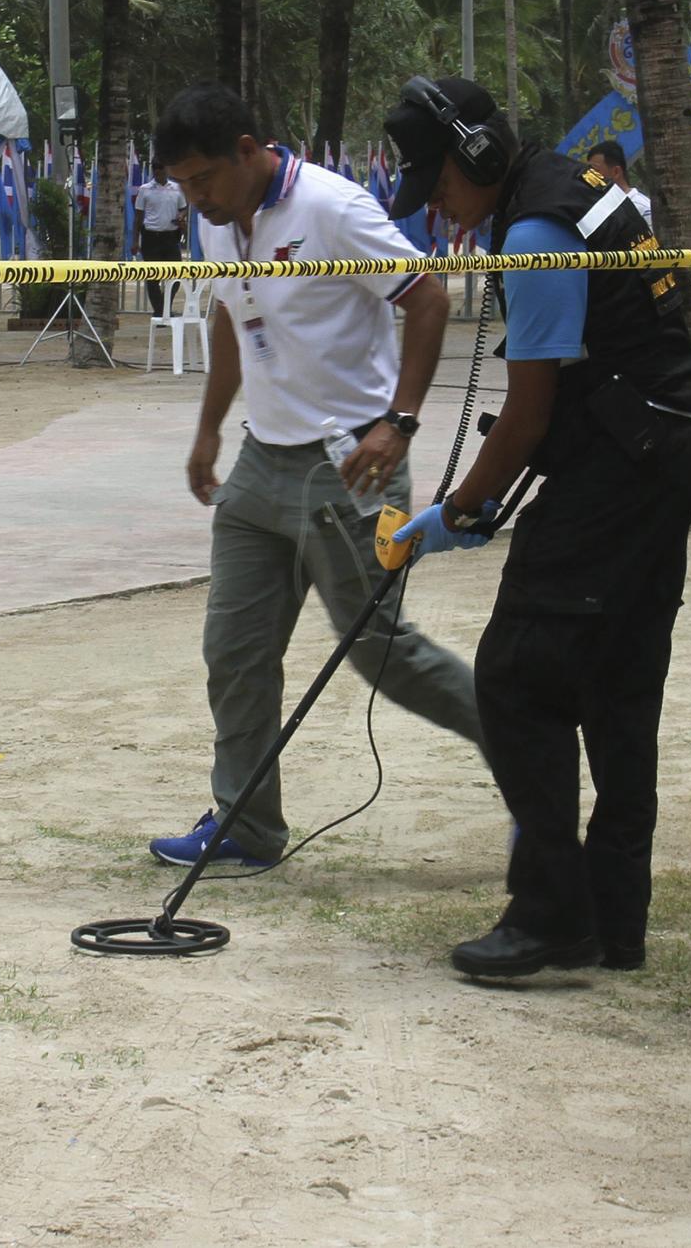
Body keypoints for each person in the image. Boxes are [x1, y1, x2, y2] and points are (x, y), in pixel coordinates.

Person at [384, 75, 691, 978]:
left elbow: (529, 413)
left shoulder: (534, 230)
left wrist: (460, 512)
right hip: (660, 448)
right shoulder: (574, 189)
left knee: (520, 678)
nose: (439, 207)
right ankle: (616, 919)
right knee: (619, 687)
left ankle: (552, 916)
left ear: (476, 154)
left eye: (439, 183)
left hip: (620, 465)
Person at [145, 83, 487, 869]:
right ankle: (245, 826)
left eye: (204, 180)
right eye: (184, 187)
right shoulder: (214, 224)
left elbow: (427, 297)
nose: (197, 199)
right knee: (234, 651)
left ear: (247, 149)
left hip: (350, 470)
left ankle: (527, 759)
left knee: (381, 652)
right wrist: (208, 430)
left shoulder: (332, 210)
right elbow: (233, 316)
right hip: (262, 464)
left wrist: (398, 422)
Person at [131, 158, 188, 315]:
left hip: (170, 237)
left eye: (160, 167)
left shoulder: (177, 188)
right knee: (153, 277)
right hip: (151, 237)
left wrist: (181, 216)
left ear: (166, 169)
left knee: (176, 276)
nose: (157, 171)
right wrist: (135, 241)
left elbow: (184, 208)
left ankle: (165, 308)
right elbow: (138, 217)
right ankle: (160, 312)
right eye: (154, 167)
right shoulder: (145, 189)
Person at [584, 140, 652, 228]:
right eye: (589, 172)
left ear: (616, 172)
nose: (589, 177)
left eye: (595, 171)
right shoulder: (599, 212)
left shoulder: (643, 210)